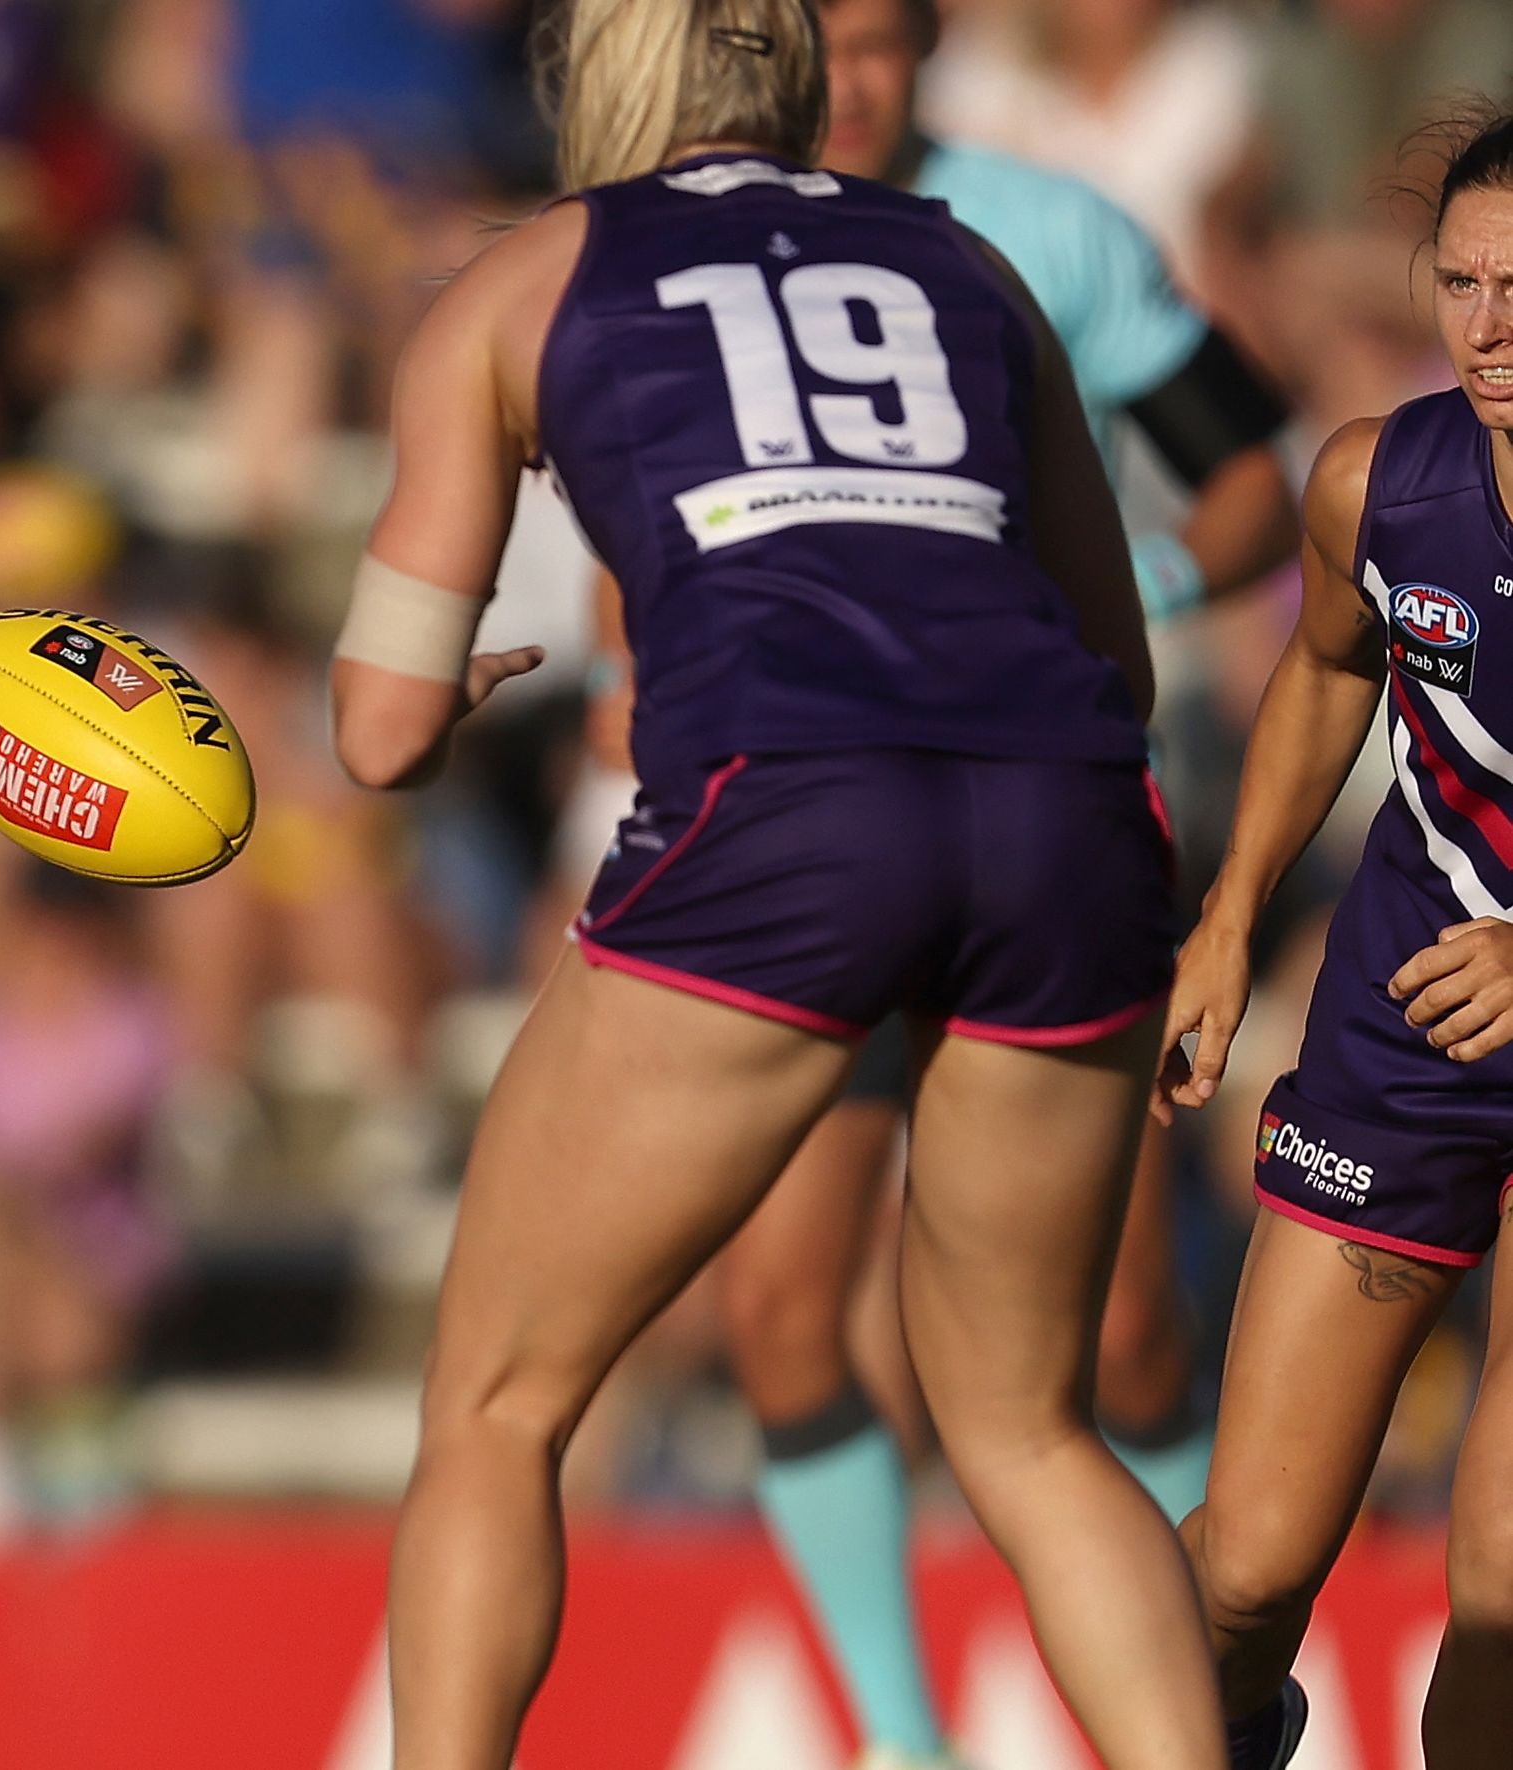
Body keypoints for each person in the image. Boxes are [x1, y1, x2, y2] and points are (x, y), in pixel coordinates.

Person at [335, 1, 1226, 1764]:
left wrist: (452, 704)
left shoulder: (520, 281)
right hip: (1062, 812)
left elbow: (372, 734)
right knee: (1034, 1431)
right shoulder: (964, 256)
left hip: (786, 803)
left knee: (498, 1406)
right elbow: (1104, 658)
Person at [681, 1, 1300, 1762]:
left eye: (882, 41)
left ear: (932, 49)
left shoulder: (1052, 234)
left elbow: (1251, 477)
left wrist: (1133, 587)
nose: (849, 78)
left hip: (1046, 814)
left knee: (1110, 1333)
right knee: (787, 1309)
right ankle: (900, 1738)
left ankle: (1217, 1689)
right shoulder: (698, 247)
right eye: (820, 43)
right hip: (802, 826)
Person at [1159, 108, 1513, 1770]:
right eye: (1458, 281)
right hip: (1399, 1047)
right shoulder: (1378, 482)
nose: (1488, 326)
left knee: (1507, 1592)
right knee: (1238, 1573)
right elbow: (1320, 666)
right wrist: (1228, 915)